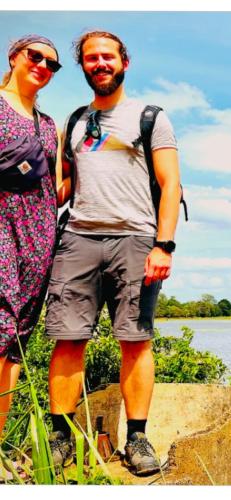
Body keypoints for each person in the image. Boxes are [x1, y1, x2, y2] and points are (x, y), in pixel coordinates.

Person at [46, 31, 181, 476]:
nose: (100, 63)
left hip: (135, 240)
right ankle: (60, 436)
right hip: (79, 239)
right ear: (83, 67)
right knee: (68, 339)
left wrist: (163, 244)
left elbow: (170, 185)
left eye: (107, 56)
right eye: (90, 58)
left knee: (135, 341)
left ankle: (137, 437)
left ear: (123, 62)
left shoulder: (150, 117)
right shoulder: (76, 121)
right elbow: (63, 187)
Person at [0, 35, 61, 436]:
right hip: (2, 225)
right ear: (14, 56)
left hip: (40, 234)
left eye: (51, 64)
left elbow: (56, 188)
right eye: (34, 56)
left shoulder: (49, 124)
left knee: (17, 337)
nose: (41, 65)